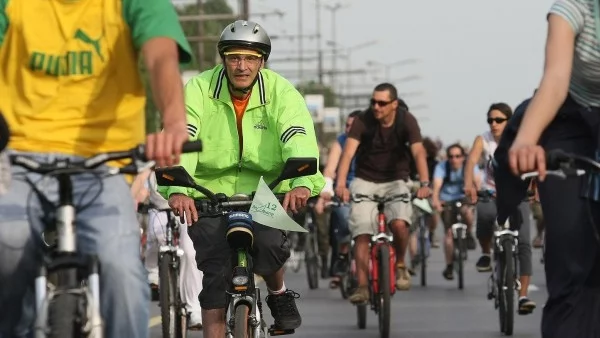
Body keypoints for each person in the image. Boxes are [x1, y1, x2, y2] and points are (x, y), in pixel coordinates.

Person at [0, 0, 192, 336]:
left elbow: (161, 54)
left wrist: (174, 121)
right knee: (7, 249)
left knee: (120, 269)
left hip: (104, 163)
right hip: (18, 154)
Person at [160, 20, 325, 338]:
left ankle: (278, 294)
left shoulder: (281, 92)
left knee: (269, 245)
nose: (242, 66)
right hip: (207, 191)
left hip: (266, 189)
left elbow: (297, 134)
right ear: (223, 58)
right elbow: (183, 134)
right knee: (215, 280)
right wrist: (179, 188)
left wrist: (301, 182)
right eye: (234, 57)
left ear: (262, 61)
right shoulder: (198, 89)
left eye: (251, 58)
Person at [493, 1, 600, 336]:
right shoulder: (575, 8)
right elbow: (555, 80)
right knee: (573, 256)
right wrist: (527, 139)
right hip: (573, 121)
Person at [335, 83, 431, 303]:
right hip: (365, 180)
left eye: (382, 103)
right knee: (361, 233)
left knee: (399, 223)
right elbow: (348, 153)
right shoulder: (363, 120)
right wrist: (341, 184)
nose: (376, 107)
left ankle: (399, 265)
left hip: (396, 179)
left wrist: (424, 183)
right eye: (373, 102)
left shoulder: (407, 120)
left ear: (394, 104)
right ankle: (361, 286)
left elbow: (418, 152)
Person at [464, 102, 536, 314]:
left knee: (524, 243)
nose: (493, 124)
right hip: (491, 193)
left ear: (509, 121)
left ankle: (523, 295)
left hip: (517, 194)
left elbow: (532, 164)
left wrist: (535, 187)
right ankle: (486, 253)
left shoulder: (520, 139)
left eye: (498, 120)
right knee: (485, 216)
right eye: (490, 120)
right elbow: (471, 162)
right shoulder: (483, 140)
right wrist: (469, 184)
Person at [143, 172, 204, 329]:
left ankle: (194, 309)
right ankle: (153, 275)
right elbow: (141, 187)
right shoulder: (150, 165)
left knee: (190, 253)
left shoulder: (186, 156)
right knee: (154, 236)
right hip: (159, 209)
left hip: (185, 207)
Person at [317, 110, 361, 288]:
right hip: (344, 193)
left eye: (354, 126)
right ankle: (342, 256)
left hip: (368, 191)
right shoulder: (341, 141)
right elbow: (329, 170)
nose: (350, 129)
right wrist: (326, 192)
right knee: (342, 219)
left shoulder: (372, 140)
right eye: (347, 125)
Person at [431, 143, 481, 280]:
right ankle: (449, 266)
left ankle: (469, 234)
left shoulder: (469, 166)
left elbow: (477, 183)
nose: (454, 159)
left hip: (464, 198)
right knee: (448, 234)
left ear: (463, 157)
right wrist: (436, 200)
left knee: (468, 213)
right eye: (451, 156)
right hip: (447, 200)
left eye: (458, 156)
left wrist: (476, 197)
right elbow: (436, 186)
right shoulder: (442, 167)